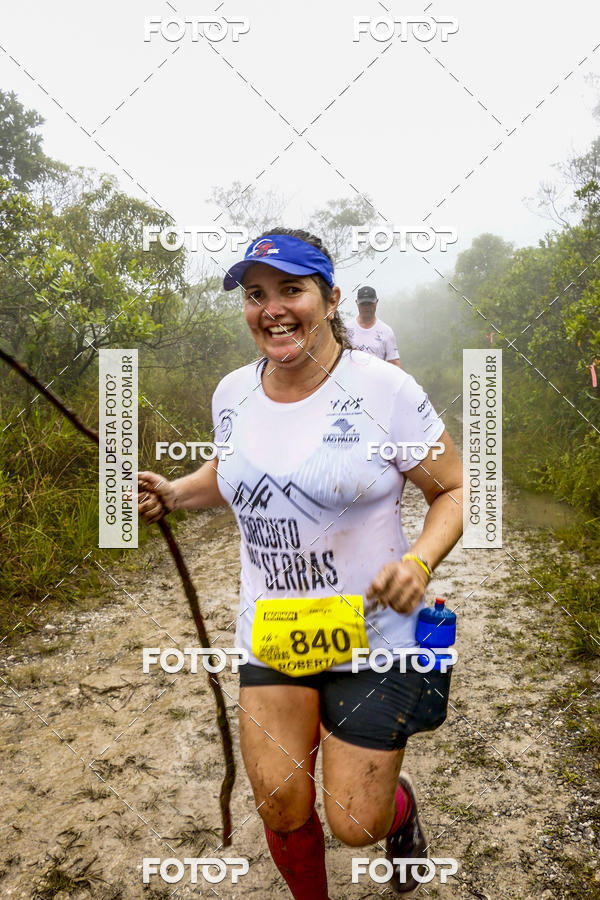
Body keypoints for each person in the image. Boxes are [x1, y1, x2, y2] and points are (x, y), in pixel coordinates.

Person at [138, 229, 463, 898]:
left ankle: (396, 808)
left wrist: (421, 564)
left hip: (374, 639)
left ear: (330, 297)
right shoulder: (233, 393)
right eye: (256, 295)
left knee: (353, 820)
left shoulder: (386, 391)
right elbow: (228, 473)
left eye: (292, 290)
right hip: (277, 633)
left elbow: (453, 490)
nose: (272, 308)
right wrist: (176, 493)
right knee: (282, 804)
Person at [345, 285, 402, 366]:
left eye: (369, 303)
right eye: (363, 304)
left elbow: (394, 363)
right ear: (356, 303)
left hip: (378, 377)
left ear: (376, 302)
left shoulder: (386, 331)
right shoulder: (346, 329)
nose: (366, 307)